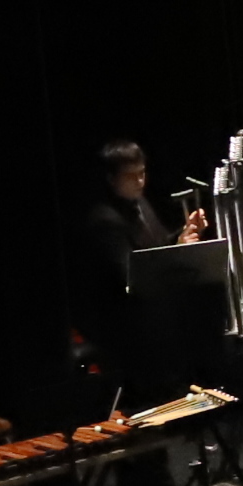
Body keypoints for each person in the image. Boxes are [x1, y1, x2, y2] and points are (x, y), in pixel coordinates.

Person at [76, 138, 210, 392]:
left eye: (142, 173)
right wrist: (178, 247)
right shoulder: (105, 221)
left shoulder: (140, 203)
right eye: (131, 176)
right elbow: (134, 276)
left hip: (156, 321)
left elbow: (156, 247)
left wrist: (184, 234)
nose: (140, 182)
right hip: (130, 332)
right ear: (112, 179)